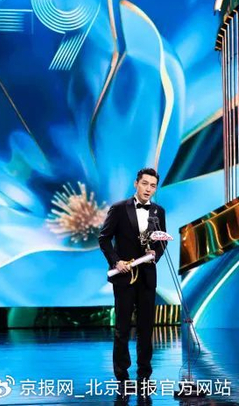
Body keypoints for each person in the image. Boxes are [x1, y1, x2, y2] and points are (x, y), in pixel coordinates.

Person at [98, 168, 166, 393]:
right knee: (123, 328)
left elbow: (162, 240)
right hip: (124, 276)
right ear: (136, 184)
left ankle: (144, 375)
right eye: (145, 184)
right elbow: (104, 239)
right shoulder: (119, 208)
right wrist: (115, 261)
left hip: (147, 276)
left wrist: (155, 253)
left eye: (152, 186)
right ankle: (122, 376)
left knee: (146, 328)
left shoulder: (158, 211)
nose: (148, 189)